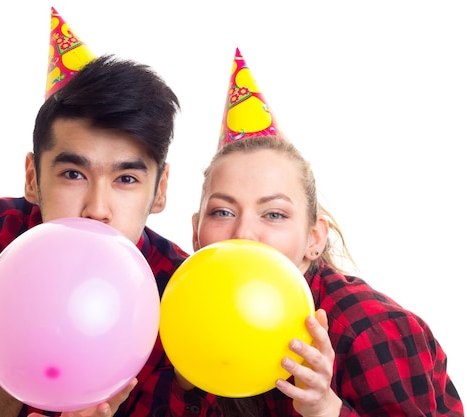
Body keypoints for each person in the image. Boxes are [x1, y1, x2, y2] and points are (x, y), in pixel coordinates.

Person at [0, 54, 204, 417]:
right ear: (32, 177)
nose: (96, 208)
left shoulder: (180, 288)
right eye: (74, 174)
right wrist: (35, 336)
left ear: (159, 191)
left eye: (126, 179)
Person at [189, 134, 464, 416]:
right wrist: (184, 372)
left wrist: (324, 408)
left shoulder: (368, 330)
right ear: (196, 234)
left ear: (314, 238)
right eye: (222, 212)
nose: (243, 233)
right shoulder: (186, 312)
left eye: (274, 215)